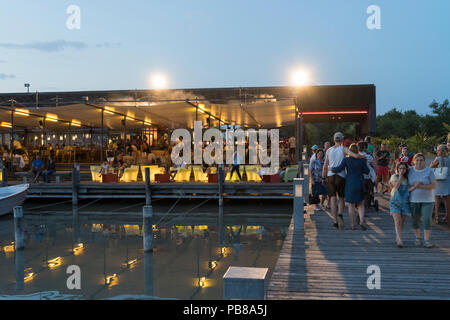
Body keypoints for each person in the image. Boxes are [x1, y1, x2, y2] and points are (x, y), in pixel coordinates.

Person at [322, 132, 363, 229]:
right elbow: (355, 156)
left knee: (332, 198)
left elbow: (324, 166)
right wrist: (363, 156)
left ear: (334, 140)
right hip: (341, 176)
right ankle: (340, 214)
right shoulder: (344, 149)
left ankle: (335, 221)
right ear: (342, 140)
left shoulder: (328, 150)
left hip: (331, 176)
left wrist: (323, 178)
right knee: (341, 197)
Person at [331, 143, 370, 230]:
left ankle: (352, 225)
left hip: (350, 183)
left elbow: (339, 168)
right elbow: (367, 172)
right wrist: (365, 163)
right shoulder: (362, 160)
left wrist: (331, 168)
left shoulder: (346, 160)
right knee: (361, 204)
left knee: (351, 205)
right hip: (360, 182)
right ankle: (362, 221)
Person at [408, 153, 437, 248]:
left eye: (421, 160)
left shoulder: (429, 171)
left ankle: (426, 240)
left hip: (428, 200)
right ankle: (417, 237)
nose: (419, 162)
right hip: (414, 200)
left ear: (424, 161)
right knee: (415, 220)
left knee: (426, 219)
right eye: (417, 160)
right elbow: (398, 172)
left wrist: (419, 186)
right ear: (413, 161)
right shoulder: (409, 170)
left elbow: (434, 185)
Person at [389, 162, 411, 247]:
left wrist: (416, 186)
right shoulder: (394, 176)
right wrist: (400, 176)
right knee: (397, 221)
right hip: (395, 201)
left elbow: (409, 189)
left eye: (404, 168)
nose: (402, 170)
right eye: (400, 168)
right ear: (397, 169)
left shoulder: (407, 178)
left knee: (402, 222)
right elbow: (396, 186)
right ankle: (400, 240)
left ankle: (398, 237)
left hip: (405, 202)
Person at [429, 144, 450, 225]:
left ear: (440, 151)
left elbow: (431, 167)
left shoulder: (437, 158)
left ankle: (437, 217)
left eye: (438, 150)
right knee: (446, 198)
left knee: (436, 198)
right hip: (447, 180)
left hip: (439, 180)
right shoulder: (449, 158)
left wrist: (431, 163)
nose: (437, 152)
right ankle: (447, 217)